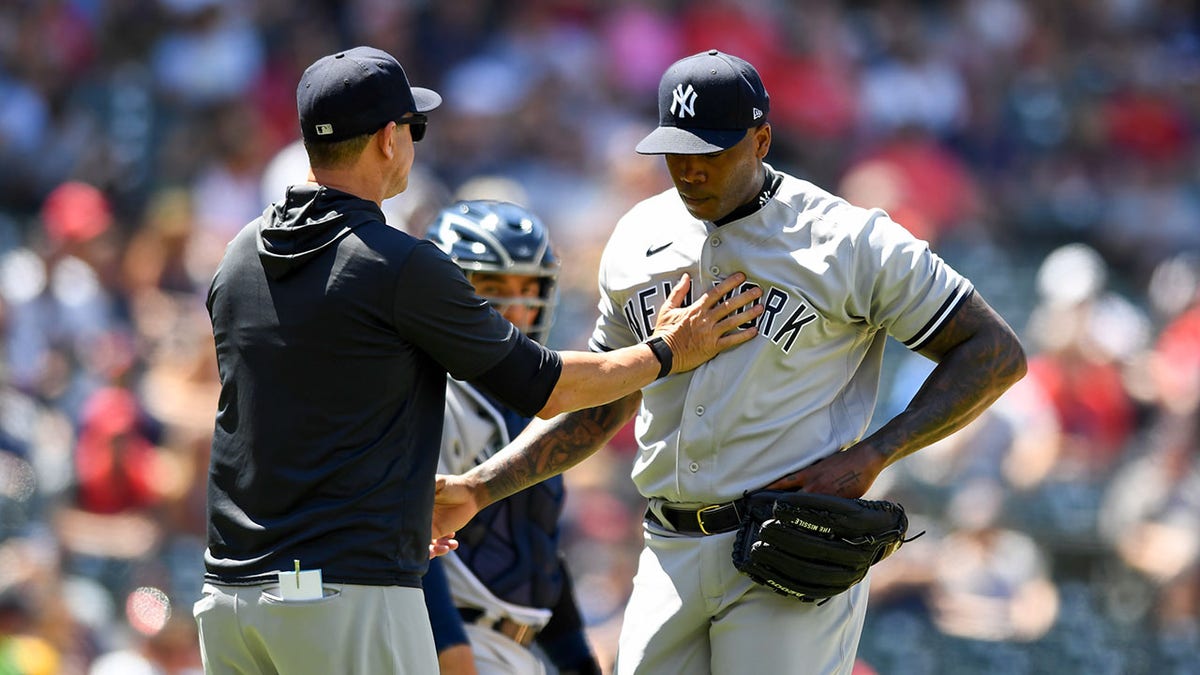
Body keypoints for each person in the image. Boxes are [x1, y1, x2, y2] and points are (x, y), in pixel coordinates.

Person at [432, 49, 1028, 674]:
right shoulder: (638, 234)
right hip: (667, 547)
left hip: (783, 549)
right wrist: (481, 487)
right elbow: (604, 399)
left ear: (762, 139)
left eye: (711, 152)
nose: (690, 170)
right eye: (675, 151)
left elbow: (993, 351)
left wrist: (875, 452)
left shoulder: (848, 240)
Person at [193, 46, 763, 675]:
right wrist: (665, 351)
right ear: (388, 138)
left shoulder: (240, 255)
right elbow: (543, 386)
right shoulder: (397, 263)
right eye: (415, 126)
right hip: (344, 599)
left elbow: (299, 418)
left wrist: (393, 515)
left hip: (231, 598)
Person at [420, 199, 601, 675]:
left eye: (529, 288)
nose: (517, 309)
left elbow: (538, 547)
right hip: (447, 640)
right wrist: (451, 654)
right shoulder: (428, 391)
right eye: (494, 288)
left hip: (519, 647)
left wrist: (577, 660)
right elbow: (411, 537)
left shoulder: (534, 402)